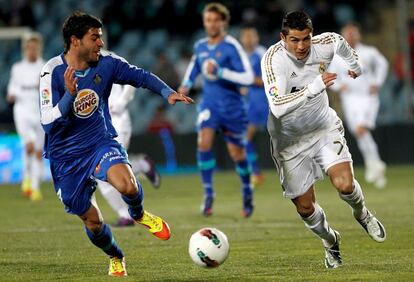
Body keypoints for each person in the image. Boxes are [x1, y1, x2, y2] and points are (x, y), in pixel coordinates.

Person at [39, 11, 193, 277]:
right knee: (94, 222)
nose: (101, 43)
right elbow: (47, 123)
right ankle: (115, 255)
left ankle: (139, 214)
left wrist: (167, 93)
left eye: (100, 37)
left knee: (128, 185)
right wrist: (68, 97)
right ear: (75, 41)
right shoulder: (51, 72)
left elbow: (141, 76)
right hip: (65, 157)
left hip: (99, 141)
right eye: (94, 37)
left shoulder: (107, 62)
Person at [261, 11, 386, 269]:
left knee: (345, 185)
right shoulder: (274, 60)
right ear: (282, 37)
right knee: (305, 208)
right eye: (294, 40)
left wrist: (356, 67)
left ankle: (362, 213)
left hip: (322, 128)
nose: (301, 46)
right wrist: (313, 88)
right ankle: (330, 240)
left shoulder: (324, 44)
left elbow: (340, 43)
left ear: (312, 34)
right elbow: (277, 107)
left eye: (306, 39)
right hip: (289, 141)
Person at [178, 3, 255, 217]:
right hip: (209, 104)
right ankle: (208, 194)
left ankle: (247, 191)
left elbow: (247, 78)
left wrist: (221, 71)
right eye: (208, 20)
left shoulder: (232, 46)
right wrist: (186, 84)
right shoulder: (200, 46)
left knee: (236, 153)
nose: (211, 24)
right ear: (204, 22)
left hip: (232, 106)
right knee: (203, 142)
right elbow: (195, 66)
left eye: (215, 20)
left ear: (223, 22)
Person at [329, 23, 388, 189]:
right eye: (347, 34)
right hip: (350, 99)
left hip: (368, 97)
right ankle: (376, 165)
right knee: (359, 132)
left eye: (353, 34)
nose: (351, 37)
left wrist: (377, 82)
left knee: (362, 130)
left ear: (358, 35)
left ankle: (374, 164)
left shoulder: (369, 52)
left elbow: (383, 64)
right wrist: (339, 86)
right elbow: (331, 76)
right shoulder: (337, 57)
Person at [97, 84, 161, 227]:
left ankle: (125, 215)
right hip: (100, 126)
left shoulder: (110, 62)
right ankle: (141, 165)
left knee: (105, 170)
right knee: (103, 172)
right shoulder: (81, 68)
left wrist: (122, 101)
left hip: (117, 122)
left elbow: (132, 80)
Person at [7, 32, 45, 201]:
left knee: (38, 151)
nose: (32, 51)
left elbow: (50, 91)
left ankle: (34, 186)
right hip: (22, 110)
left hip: (39, 111)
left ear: (39, 49)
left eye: (35, 48)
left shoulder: (45, 67)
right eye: (29, 48)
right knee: (29, 145)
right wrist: (12, 95)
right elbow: (11, 91)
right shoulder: (17, 68)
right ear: (25, 49)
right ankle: (27, 178)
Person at [239, 25, 268, 187]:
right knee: (245, 138)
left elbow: (271, 80)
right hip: (250, 102)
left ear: (256, 38)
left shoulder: (261, 54)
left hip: (262, 101)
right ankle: (255, 173)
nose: (249, 39)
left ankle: (255, 173)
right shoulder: (243, 56)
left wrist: (248, 81)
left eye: (252, 36)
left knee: (246, 138)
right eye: (246, 36)